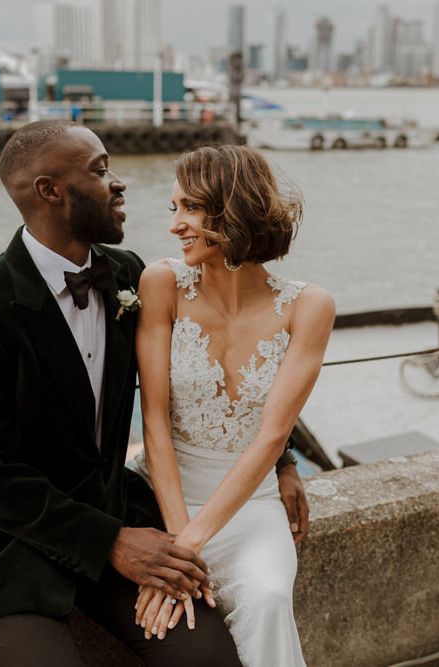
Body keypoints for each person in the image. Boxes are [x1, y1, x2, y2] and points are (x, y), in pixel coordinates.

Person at [0, 120, 308, 666]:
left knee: (208, 658)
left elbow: (219, 373)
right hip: (14, 542)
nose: (119, 183)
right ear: (50, 191)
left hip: (117, 511)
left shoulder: (128, 275)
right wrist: (113, 542)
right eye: (100, 172)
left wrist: (282, 460)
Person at [131, 145, 335, 666]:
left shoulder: (309, 307)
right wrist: (178, 545)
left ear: (233, 209)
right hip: (164, 495)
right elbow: (154, 420)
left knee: (268, 599)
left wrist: (191, 546)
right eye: (172, 209)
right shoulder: (162, 283)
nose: (175, 225)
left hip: (251, 504)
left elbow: (272, 437)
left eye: (190, 209)